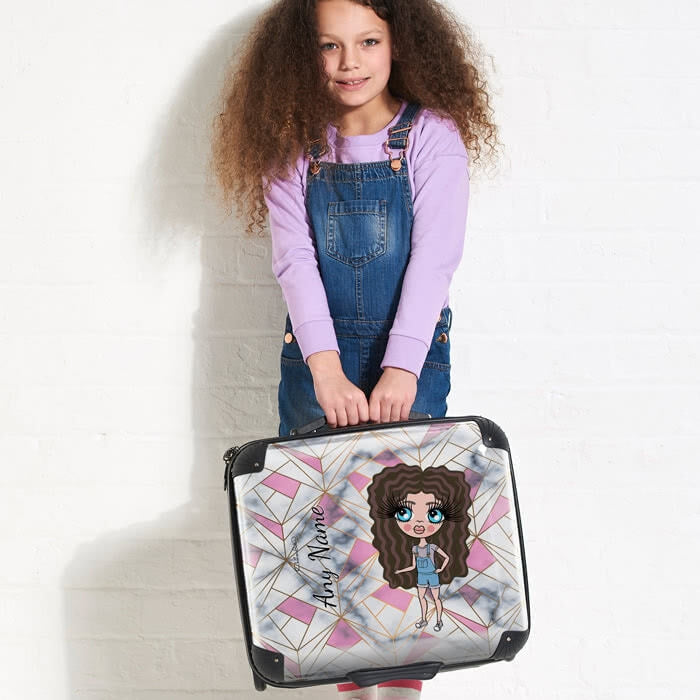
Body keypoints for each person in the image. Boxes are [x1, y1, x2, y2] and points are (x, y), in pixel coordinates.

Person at [211, 1, 499, 697]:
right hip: (318, 368)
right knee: (332, 546)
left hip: (413, 366)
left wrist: (401, 367)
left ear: (401, 43)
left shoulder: (431, 136)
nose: (350, 63)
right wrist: (326, 370)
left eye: (368, 41)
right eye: (328, 46)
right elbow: (294, 262)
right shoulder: (292, 142)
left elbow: (435, 259)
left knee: (411, 547)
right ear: (300, 54)